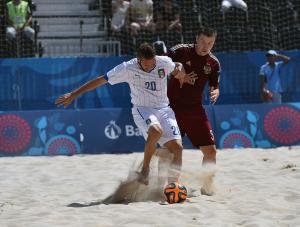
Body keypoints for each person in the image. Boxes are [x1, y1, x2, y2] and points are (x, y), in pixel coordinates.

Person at [55, 43, 194, 186]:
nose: (150, 68)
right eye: (146, 66)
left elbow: (176, 66)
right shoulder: (127, 67)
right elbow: (101, 80)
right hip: (143, 109)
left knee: (177, 148)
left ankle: (173, 186)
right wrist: (74, 94)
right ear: (139, 60)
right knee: (156, 131)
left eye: (152, 64)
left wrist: (181, 72)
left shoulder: (162, 62)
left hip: (164, 109)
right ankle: (145, 170)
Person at [158, 26, 221, 196]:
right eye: (202, 42)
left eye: (210, 43)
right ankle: (168, 186)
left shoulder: (213, 63)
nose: (206, 46)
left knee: (211, 151)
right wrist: (177, 70)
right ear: (196, 39)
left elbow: (215, 84)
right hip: (172, 108)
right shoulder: (180, 50)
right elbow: (160, 63)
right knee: (171, 150)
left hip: (195, 110)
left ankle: (207, 187)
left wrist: (215, 90)